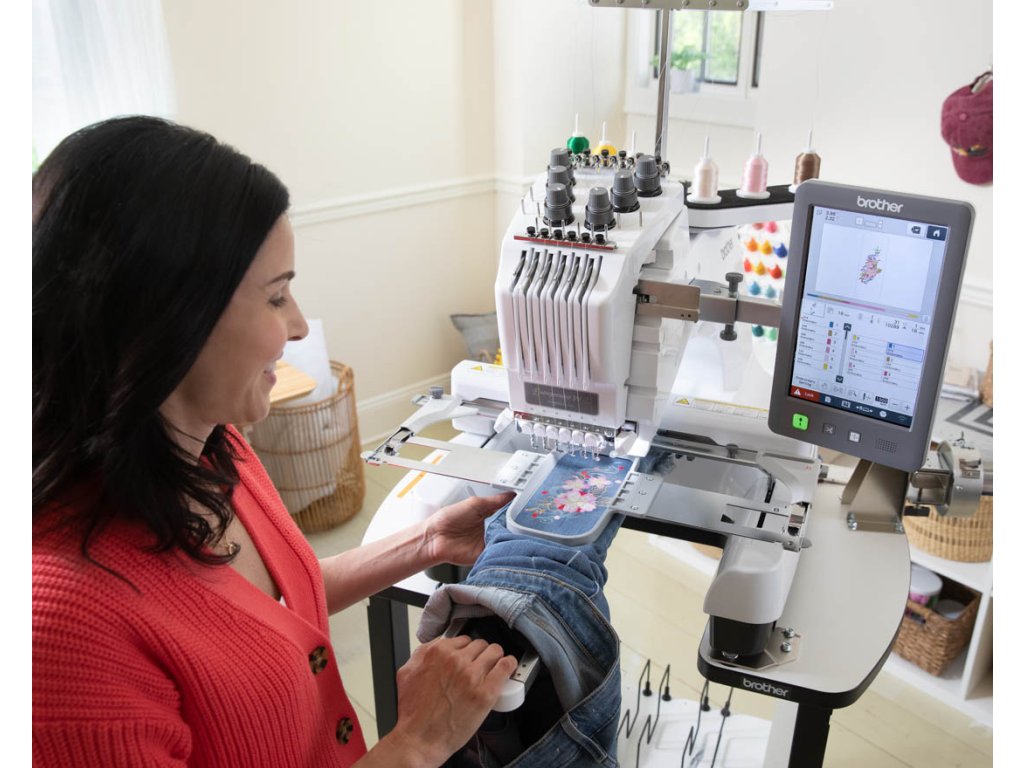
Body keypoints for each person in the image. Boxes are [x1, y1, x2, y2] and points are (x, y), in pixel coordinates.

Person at [32, 115, 518, 768]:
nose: (297, 326)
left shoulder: (215, 447)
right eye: (275, 296)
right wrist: (417, 744)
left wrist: (428, 542)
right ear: (168, 321)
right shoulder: (63, 641)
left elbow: (266, 611)